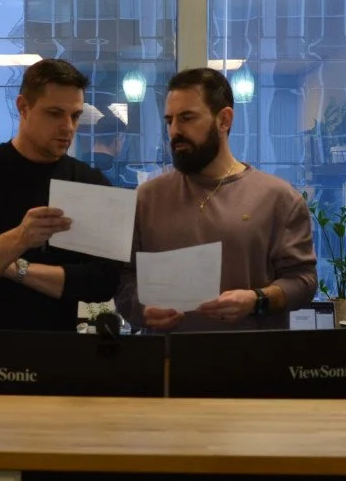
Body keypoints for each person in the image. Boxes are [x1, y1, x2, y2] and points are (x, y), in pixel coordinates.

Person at [117, 67, 316, 331]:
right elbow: (123, 280)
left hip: (249, 353)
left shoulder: (278, 198)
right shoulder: (147, 198)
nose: (175, 131)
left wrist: (256, 300)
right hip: (166, 354)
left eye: (187, 118)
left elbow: (303, 281)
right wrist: (143, 310)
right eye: (169, 120)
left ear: (224, 120)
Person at [0, 59, 121, 330]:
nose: (68, 127)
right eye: (55, 114)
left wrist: (14, 268)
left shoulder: (88, 183)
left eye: (75, 116)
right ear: (23, 107)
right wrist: (21, 237)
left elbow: (104, 282)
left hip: (53, 346)